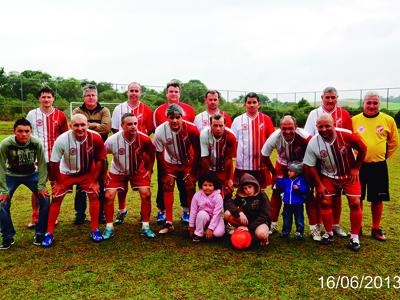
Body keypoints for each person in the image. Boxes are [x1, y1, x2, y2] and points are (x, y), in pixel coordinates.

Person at [303, 114, 367, 251]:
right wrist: (319, 184)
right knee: (325, 201)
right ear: (316, 127)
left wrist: (356, 168)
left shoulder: (346, 135)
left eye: (327, 126)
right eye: (320, 126)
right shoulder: (313, 142)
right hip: (329, 176)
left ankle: (355, 237)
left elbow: (363, 148)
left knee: (355, 203)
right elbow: (310, 165)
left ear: (334, 125)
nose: (324, 129)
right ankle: (329, 233)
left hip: (348, 175)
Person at [42, 114, 106, 247]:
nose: (80, 128)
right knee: (57, 198)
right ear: (71, 126)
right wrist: (58, 182)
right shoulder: (62, 140)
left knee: (94, 194)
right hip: (66, 173)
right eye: (76, 125)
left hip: (87, 172)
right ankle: (49, 233)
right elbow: (54, 163)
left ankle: (95, 229)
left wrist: (94, 181)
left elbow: (100, 160)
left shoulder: (96, 137)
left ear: (88, 125)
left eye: (83, 125)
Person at [304, 87, 353, 237]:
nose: (330, 100)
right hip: (319, 159)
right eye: (327, 97)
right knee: (320, 193)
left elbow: (350, 138)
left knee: (336, 195)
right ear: (322, 98)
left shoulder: (343, 114)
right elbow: (308, 135)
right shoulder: (314, 114)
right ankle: (318, 224)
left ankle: (335, 225)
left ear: (337, 98)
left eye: (333, 97)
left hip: (338, 163)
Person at [352, 91, 399, 241]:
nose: (372, 106)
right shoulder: (354, 120)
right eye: (369, 102)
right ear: (363, 103)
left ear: (379, 104)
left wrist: (382, 156)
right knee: (356, 198)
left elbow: (394, 142)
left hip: (378, 166)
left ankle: (375, 228)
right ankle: (356, 228)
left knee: (377, 200)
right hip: (358, 167)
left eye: (375, 103)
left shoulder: (388, 120)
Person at [261, 116, 317, 239]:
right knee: (276, 193)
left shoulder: (305, 136)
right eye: (284, 128)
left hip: (302, 165)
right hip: (283, 165)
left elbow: (316, 150)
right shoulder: (275, 137)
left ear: (296, 127)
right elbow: (264, 155)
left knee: (309, 194)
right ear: (280, 128)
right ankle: (273, 224)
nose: (287, 131)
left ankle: (314, 228)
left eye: (290, 128)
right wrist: (274, 172)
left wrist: (310, 171)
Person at [103, 113, 156, 239]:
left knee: (146, 194)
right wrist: (104, 173)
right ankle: (109, 227)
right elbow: (100, 155)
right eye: (129, 124)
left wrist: (149, 170)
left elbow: (152, 152)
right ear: (122, 125)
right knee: (108, 196)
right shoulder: (112, 140)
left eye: (135, 124)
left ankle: (145, 226)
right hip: (117, 171)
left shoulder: (144, 139)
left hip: (137, 171)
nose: (133, 127)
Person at [0, 118, 49, 249]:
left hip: (31, 175)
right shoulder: (5, 144)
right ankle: (7, 236)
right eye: (20, 131)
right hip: (11, 176)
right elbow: (1, 167)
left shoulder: (36, 143)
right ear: (14, 131)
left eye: (27, 131)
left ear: (31, 131)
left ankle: (40, 233)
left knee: (45, 200)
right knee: (1, 203)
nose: (23, 134)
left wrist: (42, 185)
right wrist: (4, 190)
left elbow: (43, 165)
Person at [153, 81, 196, 224]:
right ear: (167, 93)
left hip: (187, 159)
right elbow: (158, 148)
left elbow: (197, 148)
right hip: (168, 158)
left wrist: (194, 169)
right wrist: (165, 169)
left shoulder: (190, 116)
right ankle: (163, 213)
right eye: (171, 91)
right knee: (165, 183)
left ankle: (187, 212)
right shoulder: (159, 114)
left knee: (187, 185)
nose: (175, 120)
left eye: (176, 91)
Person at [110, 82, 154, 225]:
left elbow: (150, 131)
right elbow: (115, 130)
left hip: (141, 154)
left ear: (140, 93)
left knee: (144, 188)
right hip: (123, 151)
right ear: (127, 92)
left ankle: (144, 214)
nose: (134, 93)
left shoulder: (146, 109)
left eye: (137, 91)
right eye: (131, 90)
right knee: (122, 186)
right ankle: (122, 211)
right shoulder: (118, 109)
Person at [26, 87, 68, 229]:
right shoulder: (32, 114)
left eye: (49, 97)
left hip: (55, 158)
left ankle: (52, 216)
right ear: (39, 99)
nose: (46, 99)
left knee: (55, 186)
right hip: (38, 157)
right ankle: (35, 216)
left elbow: (65, 136)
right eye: (43, 97)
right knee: (37, 188)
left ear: (53, 98)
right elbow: (27, 134)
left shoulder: (60, 115)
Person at [72, 84, 111, 224]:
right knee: (80, 183)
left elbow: (106, 129)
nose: (91, 97)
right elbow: (76, 129)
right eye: (88, 95)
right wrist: (95, 125)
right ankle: (80, 214)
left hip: (99, 151)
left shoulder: (104, 110)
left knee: (100, 183)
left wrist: (87, 125)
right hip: (81, 152)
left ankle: (101, 213)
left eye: (93, 95)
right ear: (84, 97)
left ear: (97, 96)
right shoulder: (77, 110)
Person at [231, 92, 275, 189]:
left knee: (260, 190)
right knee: (243, 191)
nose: (251, 105)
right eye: (249, 102)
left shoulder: (266, 119)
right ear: (244, 104)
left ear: (259, 104)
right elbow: (233, 141)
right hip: (242, 165)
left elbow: (272, 141)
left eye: (254, 102)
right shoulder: (238, 120)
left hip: (260, 164)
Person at [224, 173, 270, 246]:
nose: (248, 190)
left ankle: (264, 238)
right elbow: (229, 203)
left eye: (250, 187)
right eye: (245, 188)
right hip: (245, 221)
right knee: (227, 214)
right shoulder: (241, 195)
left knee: (261, 235)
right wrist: (239, 212)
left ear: (255, 186)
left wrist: (249, 227)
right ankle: (242, 231)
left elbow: (265, 215)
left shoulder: (262, 195)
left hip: (259, 222)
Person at [200, 113, 236, 197]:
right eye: (215, 125)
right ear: (210, 125)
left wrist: (228, 179)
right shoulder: (204, 134)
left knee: (228, 190)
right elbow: (204, 158)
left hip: (224, 166)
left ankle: (226, 207)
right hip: (209, 166)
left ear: (225, 125)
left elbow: (228, 159)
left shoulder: (231, 136)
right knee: (208, 190)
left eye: (220, 125)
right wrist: (208, 177)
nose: (218, 128)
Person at [188, 173, 225, 242]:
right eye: (205, 185)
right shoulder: (197, 195)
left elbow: (217, 214)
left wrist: (211, 228)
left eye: (210, 185)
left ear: (214, 186)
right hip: (202, 217)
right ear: (201, 186)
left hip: (215, 218)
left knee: (218, 233)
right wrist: (191, 226)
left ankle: (207, 230)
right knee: (202, 214)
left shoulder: (218, 197)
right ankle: (198, 233)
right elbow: (193, 211)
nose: (207, 187)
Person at [276, 162, 308, 240]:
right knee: (286, 219)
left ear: (297, 172)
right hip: (287, 203)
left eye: (291, 171)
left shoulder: (301, 180)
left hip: (298, 204)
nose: (289, 172)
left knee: (299, 219)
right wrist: (279, 179)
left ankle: (299, 232)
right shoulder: (286, 180)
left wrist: (299, 188)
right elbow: (281, 186)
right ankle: (285, 232)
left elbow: (305, 188)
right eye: (288, 170)